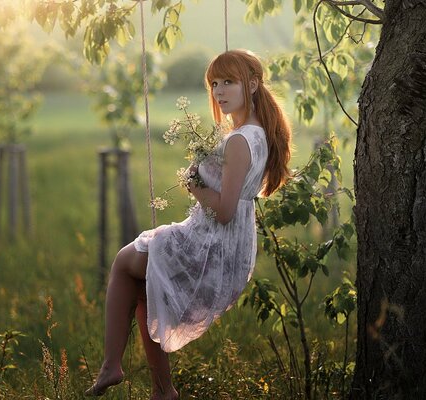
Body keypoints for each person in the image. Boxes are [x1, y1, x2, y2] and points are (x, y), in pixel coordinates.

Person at [85, 49, 292, 399]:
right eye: (214, 83)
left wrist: (195, 185)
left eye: (229, 82)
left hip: (211, 246)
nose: (219, 91)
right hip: (228, 247)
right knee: (146, 288)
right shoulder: (254, 133)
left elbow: (225, 210)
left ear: (253, 85)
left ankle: (112, 366)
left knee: (123, 262)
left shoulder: (241, 141)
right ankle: (163, 391)